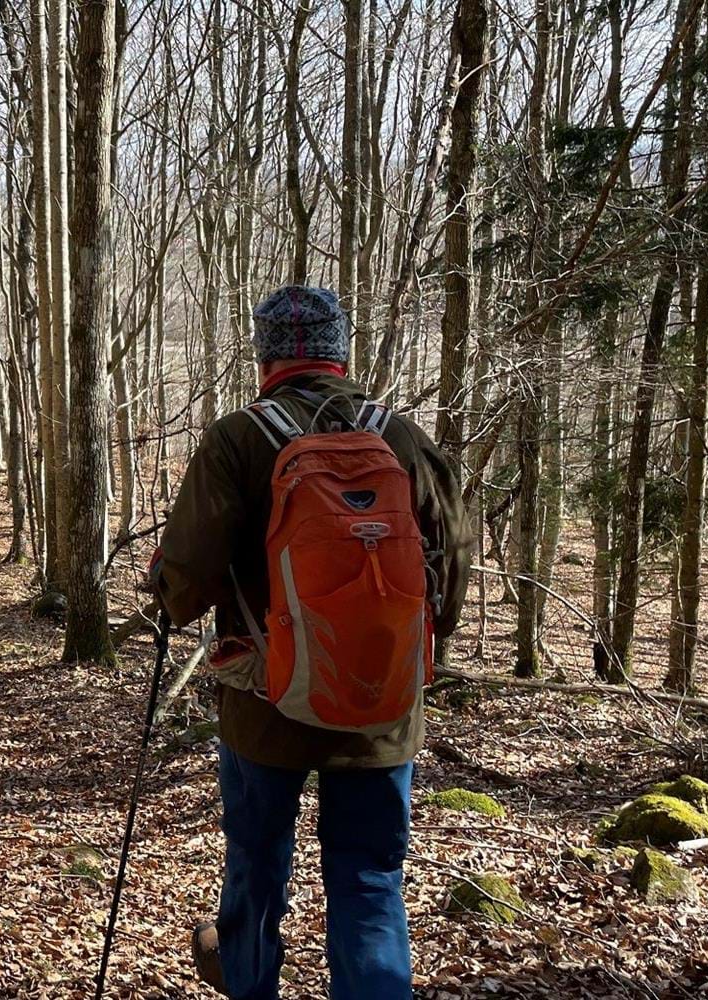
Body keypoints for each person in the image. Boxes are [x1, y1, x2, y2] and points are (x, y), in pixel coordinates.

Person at [152, 285, 469, 1000]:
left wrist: (164, 585)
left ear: (266, 356)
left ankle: (251, 983)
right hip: (381, 708)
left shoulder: (240, 438)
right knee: (369, 880)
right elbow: (450, 571)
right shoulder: (402, 436)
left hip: (268, 706)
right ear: (341, 352)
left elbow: (186, 584)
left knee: (258, 870)